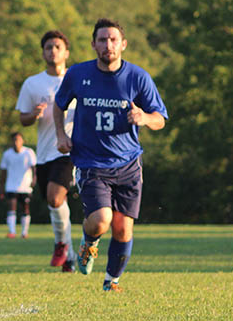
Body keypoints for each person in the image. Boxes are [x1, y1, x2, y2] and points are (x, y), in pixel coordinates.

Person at [53, 18, 167, 292]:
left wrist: (144, 117)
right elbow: (59, 106)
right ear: (93, 44)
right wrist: (60, 135)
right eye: (102, 40)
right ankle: (88, 243)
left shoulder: (138, 77)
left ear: (123, 44)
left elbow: (160, 118)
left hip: (128, 163)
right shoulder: (78, 74)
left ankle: (111, 282)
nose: (108, 45)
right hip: (91, 162)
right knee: (101, 220)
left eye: (113, 39)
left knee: (122, 229)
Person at [15, 30, 77, 270]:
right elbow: (23, 119)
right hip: (44, 153)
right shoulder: (33, 83)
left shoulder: (76, 80)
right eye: (48, 47)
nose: (53, 51)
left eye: (57, 47)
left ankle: (61, 244)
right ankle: (69, 254)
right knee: (55, 204)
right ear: (43, 53)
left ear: (66, 52)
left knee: (55, 196)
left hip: (70, 150)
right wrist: (34, 114)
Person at [0, 132, 37, 238]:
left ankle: (24, 232)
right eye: (14, 140)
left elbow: (34, 168)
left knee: (25, 208)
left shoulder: (29, 152)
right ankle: (12, 231)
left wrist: (34, 179)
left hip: (25, 186)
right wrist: (1, 187)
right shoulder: (7, 154)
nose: (16, 142)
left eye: (18, 140)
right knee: (12, 207)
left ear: (22, 141)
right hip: (11, 186)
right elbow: (3, 172)